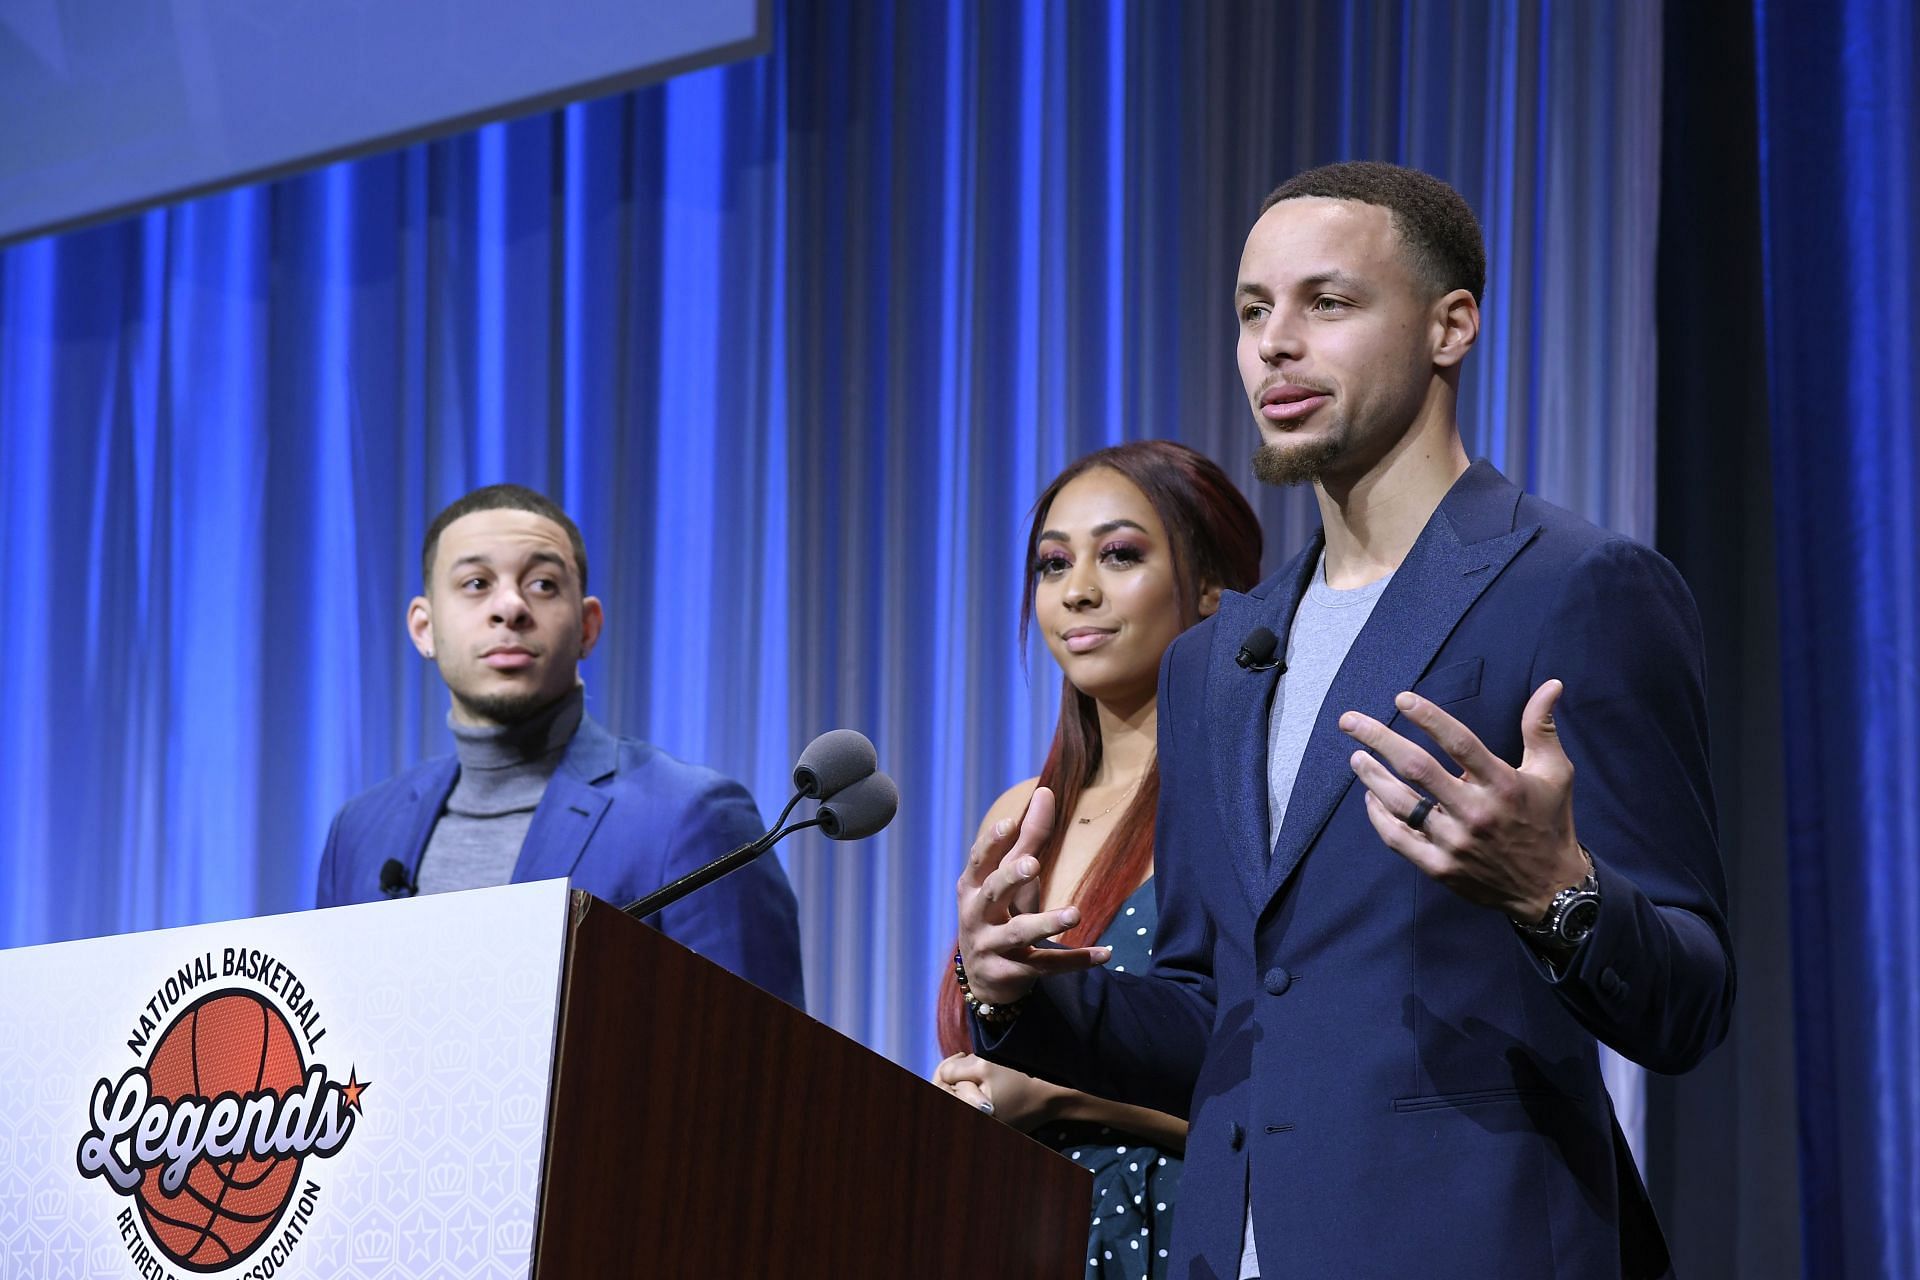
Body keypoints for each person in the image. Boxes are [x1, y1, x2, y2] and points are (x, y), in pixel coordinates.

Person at [955, 162, 1734, 1278]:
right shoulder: (1213, 660)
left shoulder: (1578, 587)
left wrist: (1554, 892)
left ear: (1448, 326)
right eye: (1252, 310)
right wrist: (1023, 992)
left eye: (1327, 303)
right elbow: (1214, 1020)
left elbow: (1692, 997)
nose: (1275, 343)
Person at [932, 441, 1262, 1279]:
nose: (1077, 589)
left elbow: (1290, 1097)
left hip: (1195, 1239)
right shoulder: (1017, 822)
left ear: (1215, 592)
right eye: (1052, 563)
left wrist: (1058, 1093)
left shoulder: (1250, 804)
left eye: (1119, 555)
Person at [316, 483, 804, 1009]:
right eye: (476, 583)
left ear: (588, 627)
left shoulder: (691, 819)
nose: (510, 607)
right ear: (424, 628)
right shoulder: (360, 831)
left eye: (544, 584)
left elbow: (763, 1073)